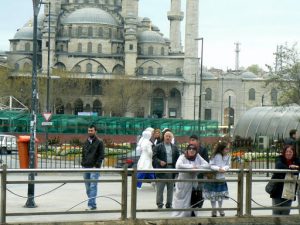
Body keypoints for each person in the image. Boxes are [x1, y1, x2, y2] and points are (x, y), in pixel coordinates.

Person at [172, 144, 209, 217]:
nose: (191, 151)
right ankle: (180, 215)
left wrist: (198, 167)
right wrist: (191, 167)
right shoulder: (182, 157)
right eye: (190, 149)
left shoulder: (197, 157)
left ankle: (192, 214)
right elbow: (178, 165)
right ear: (187, 150)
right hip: (183, 181)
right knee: (181, 199)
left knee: (193, 199)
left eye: (194, 149)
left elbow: (206, 164)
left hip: (193, 182)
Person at [269, 145, 300, 215]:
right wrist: (291, 168)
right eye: (287, 151)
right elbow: (279, 166)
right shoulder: (279, 158)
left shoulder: (296, 160)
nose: (288, 153)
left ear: (293, 153)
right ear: (284, 152)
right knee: (276, 212)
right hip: (277, 190)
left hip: (289, 190)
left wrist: (297, 167)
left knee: (286, 212)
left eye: (290, 152)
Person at [153, 131, 180, 208]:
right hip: (161, 169)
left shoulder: (175, 147)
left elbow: (178, 158)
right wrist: (159, 161)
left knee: (170, 188)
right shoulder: (158, 146)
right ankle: (159, 204)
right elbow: (154, 158)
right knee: (160, 188)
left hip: (171, 169)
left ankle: (169, 204)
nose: (168, 137)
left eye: (169, 136)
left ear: (172, 138)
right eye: (166, 136)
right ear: (163, 137)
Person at [203, 142, 231, 217]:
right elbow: (211, 165)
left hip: (221, 177)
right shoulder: (215, 155)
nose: (227, 150)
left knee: (221, 194)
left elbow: (228, 165)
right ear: (221, 149)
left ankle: (220, 207)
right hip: (213, 177)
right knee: (213, 194)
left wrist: (224, 168)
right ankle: (214, 209)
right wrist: (219, 169)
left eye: (228, 149)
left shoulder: (228, 156)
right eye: (226, 149)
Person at [81, 124, 105, 210]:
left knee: (93, 186)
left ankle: (91, 205)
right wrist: (83, 164)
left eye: (91, 130)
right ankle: (92, 203)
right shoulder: (86, 141)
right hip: (85, 167)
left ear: (95, 131)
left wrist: (96, 166)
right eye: (89, 130)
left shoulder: (99, 142)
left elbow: (101, 155)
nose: (90, 132)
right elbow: (83, 153)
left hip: (94, 168)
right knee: (88, 187)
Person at [188, 134, 209, 216]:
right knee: (192, 190)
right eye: (191, 140)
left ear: (197, 141)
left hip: (200, 173)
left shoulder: (203, 149)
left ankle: (199, 204)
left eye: (193, 140)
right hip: (191, 173)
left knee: (200, 190)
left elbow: (206, 161)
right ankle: (193, 205)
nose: (192, 141)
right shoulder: (188, 148)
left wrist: (200, 168)